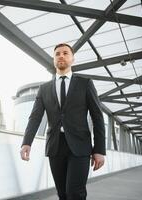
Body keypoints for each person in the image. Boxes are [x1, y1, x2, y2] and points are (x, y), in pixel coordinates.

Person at [20, 43, 105, 200]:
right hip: (55, 146)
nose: (61, 55)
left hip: (80, 147)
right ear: (53, 59)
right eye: (57, 53)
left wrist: (99, 149)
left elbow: (97, 117)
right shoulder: (44, 88)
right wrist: (26, 142)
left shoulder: (85, 83)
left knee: (75, 193)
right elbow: (35, 117)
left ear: (72, 59)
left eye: (65, 53)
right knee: (62, 194)